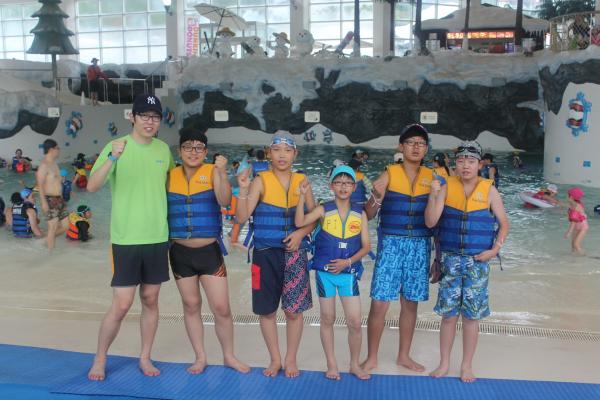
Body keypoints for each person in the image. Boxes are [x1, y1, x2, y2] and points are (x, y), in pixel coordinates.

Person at [86, 94, 174, 381]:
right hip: (125, 239)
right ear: (133, 117)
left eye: (155, 117)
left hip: (157, 237)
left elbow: (171, 187)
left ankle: (145, 356)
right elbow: (92, 186)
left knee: (150, 299)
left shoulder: (163, 150)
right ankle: (100, 359)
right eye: (144, 116)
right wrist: (112, 158)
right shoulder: (116, 147)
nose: (150, 121)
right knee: (122, 304)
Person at [425, 140, 509, 383]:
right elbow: (431, 222)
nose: (465, 165)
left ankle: (466, 365)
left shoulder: (489, 190)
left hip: (477, 262)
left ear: (479, 164)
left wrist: (494, 250)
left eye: (471, 161)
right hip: (450, 260)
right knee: (448, 316)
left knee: (471, 317)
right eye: (461, 160)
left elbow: (504, 224)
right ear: (455, 164)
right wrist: (433, 196)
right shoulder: (445, 187)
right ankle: (444, 363)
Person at [167, 130, 250, 375]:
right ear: (180, 150)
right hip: (179, 252)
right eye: (188, 147)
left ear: (205, 152)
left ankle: (229, 356)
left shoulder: (213, 171)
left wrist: (222, 172)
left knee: (221, 307)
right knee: (191, 305)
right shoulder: (169, 176)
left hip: (209, 252)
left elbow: (224, 201)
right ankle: (200, 357)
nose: (193, 152)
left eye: (199, 148)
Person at [235, 132, 316, 378]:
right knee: (267, 311)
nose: (282, 155)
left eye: (287, 150)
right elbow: (241, 217)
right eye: (277, 150)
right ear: (269, 153)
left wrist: (300, 233)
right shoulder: (260, 181)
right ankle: (275, 359)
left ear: (295, 154)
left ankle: (291, 359)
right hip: (264, 254)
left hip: (295, 254)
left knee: (294, 311)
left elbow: (314, 217)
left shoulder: (302, 180)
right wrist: (243, 189)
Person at [361, 124, 434, 373]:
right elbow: (368, 214)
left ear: (426, 149)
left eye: (421, 143)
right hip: (391, 243)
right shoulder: (389, 174)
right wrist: (376, 196)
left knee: (410, 304)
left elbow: (439, 220)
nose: (416, 147)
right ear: (401, 147)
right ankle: (371, 357)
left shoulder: (434, 178)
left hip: (420, 245)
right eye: (411, 142)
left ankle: (404, 356)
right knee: (379, 303)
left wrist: (438, 258)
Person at [295, 165, 371, 380]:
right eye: (338, 182)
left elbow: (366, 246)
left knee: (354, 321)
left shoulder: (360, 214)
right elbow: (299, 222)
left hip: (348, 273)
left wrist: (347, 262)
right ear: (331, 186)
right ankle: (331, 364)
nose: (343, 187)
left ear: (354, 187)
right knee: (328, 318)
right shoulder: (323, 210)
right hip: (325, 274)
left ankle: (354, 364)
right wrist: (301, 197)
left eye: (347, 183)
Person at [36, 139, 70, 250]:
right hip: (49, 199)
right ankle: (50, 253)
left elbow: (56, 180)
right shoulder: (44, 165)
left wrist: (62, 179)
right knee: (53, 227)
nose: (59, 150)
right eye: (57, 148)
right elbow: (40, 185)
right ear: (51, 149)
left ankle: (46, 240)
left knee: (66, 226)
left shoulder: (54, 163)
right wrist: (44, 203)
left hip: (59, 199)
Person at [564, 187, 588, 255]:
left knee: (576, 244)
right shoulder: (573, 204)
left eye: (567, 195)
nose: (566, 196)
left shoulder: (577, 207)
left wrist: (569, 232)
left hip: (583, 227)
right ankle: (573, 256)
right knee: (573, 243)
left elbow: (573, 222)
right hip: (577, 226)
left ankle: (584, 256)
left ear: (571, 197)